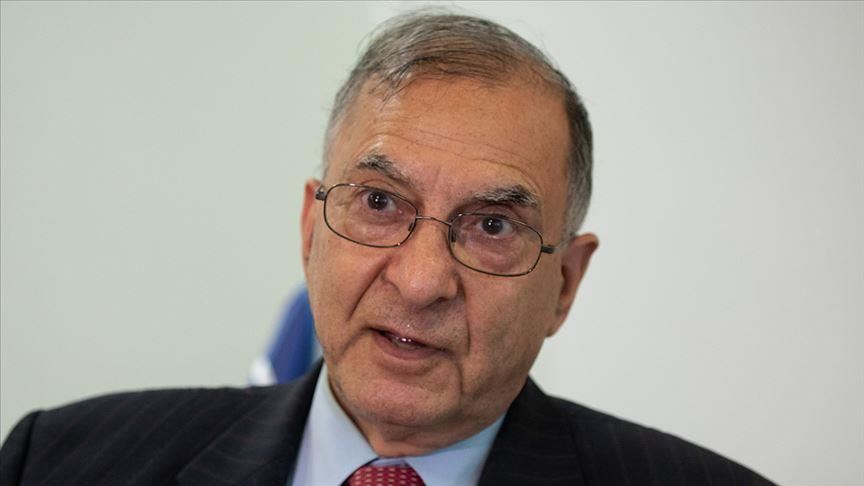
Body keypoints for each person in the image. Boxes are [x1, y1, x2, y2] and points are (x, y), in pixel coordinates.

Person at [0, 11, 776, 486]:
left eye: (492, 226)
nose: (421, 280)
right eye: (379, 203)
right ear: (311, 229)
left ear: (565, 285)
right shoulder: (56, 462)